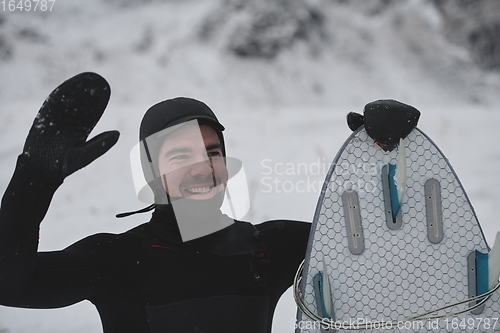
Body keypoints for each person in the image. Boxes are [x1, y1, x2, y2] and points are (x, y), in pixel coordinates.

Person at [0, 72, 310, 333]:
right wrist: (34, 179)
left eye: (212, 153)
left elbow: (354, 239)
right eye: (180, 156)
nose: (202, 168)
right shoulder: (119, 260)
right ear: (152, 174)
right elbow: (8, 282)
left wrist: (361, 149)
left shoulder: (266, 249)